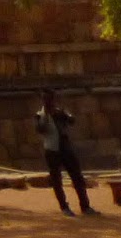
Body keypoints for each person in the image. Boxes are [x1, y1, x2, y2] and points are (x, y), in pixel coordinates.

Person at [35, 88, 96, 216]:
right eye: (46, 100)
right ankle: (64, 206)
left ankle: (85, 206)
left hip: (65, 148)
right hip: (52, 150)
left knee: (77, 177)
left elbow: (71, 121)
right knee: (57, 180)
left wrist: (64, 114)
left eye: (50, 99)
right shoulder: (40, 115)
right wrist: (46, 115)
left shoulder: (60, 113)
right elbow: (41, 130)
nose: (48, 102)